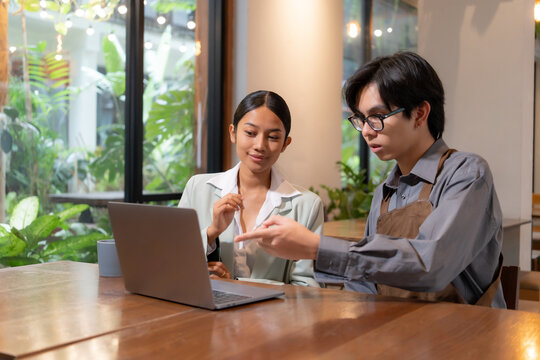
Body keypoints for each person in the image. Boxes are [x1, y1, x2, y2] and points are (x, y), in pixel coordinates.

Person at [235, 52, 506, 308]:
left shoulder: (467, 174)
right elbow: (364, 285)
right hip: (403, 335)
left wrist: (316, 247)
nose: (366, 131)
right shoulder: (386, 192)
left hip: (467, 338)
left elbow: (430, 265)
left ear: (421, 113)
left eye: (376, 117)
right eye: (361, 120)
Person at [179, 90, 323, 287]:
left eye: (272, 137)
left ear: (285, 144)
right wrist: (212, 232)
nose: (260, 145)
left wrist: (237, 284)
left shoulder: (307, 205)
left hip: (272, 318)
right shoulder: (197, 188)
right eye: (250, 133)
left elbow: (310, 289)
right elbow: (171, 261)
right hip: (203, 314)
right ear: (233, 133)